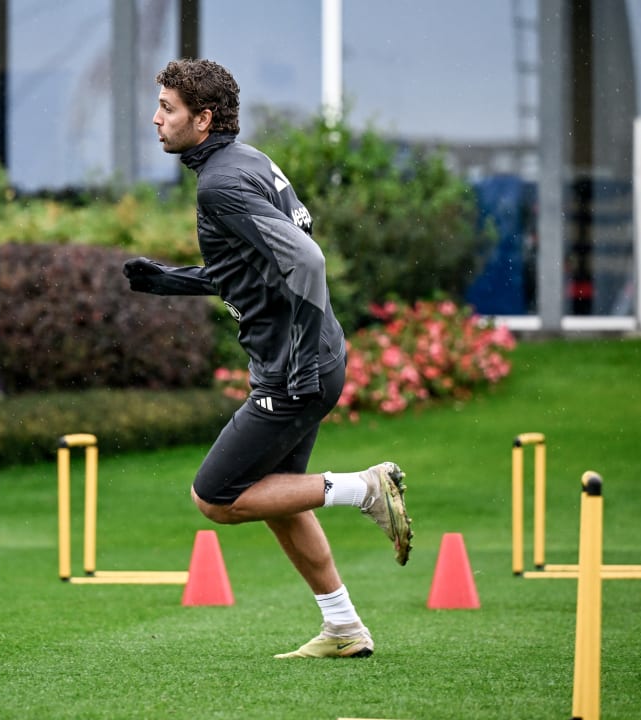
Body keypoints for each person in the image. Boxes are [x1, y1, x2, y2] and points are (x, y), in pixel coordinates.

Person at [123, 58, 413, 659]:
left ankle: (363, 488)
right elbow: (253, 271)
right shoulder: (245, 160)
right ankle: (343, 628)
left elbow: (306, 261)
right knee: (276, 493)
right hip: (309, 359)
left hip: (295, 368)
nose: (155, 119)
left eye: (168, 109)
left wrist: (300, 357)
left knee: (217, 496)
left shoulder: (222, 183)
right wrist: (172, 282)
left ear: (203, 120)